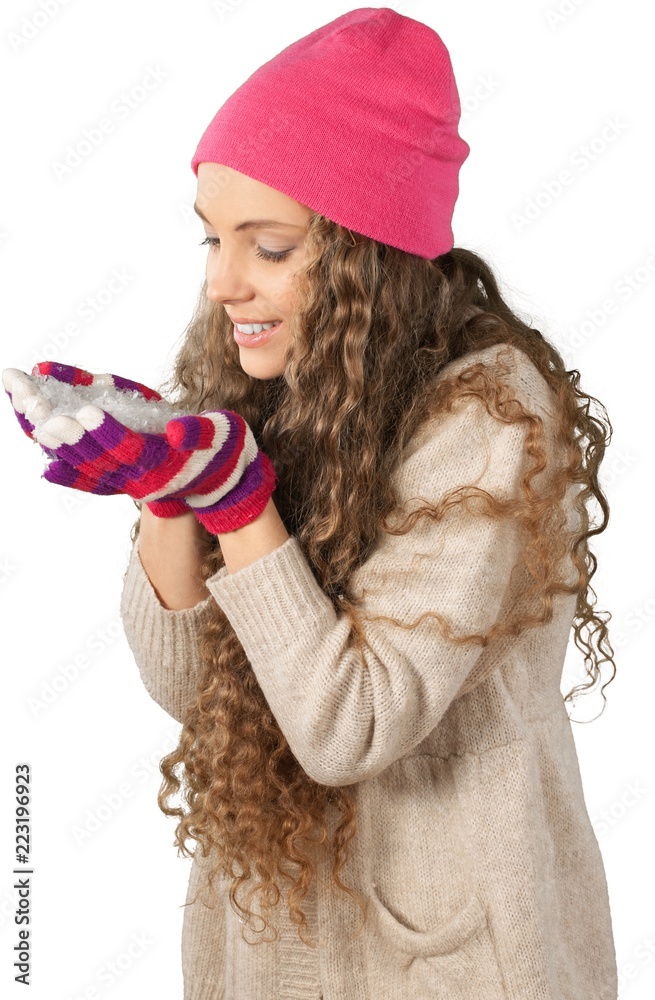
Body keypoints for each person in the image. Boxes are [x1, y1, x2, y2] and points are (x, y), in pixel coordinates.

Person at [3, 8, 619, 999]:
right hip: (273, 948)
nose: (222, 282)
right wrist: (167, 493)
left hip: (446, 956)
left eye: (270, 247)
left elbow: (348, 727)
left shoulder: (486, 418)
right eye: (212, 238)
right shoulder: (260, 375)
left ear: (367, 250)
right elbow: (185, 690)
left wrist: (239, 505)